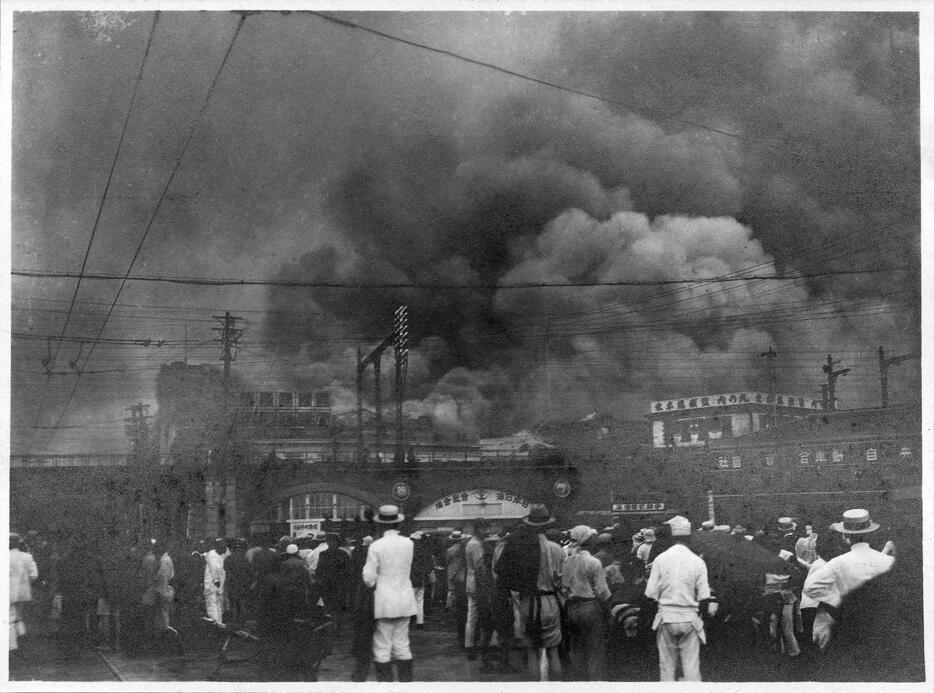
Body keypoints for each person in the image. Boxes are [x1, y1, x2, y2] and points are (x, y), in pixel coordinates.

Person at [802, 509, 895, 661]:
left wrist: (840, 600)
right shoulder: (887, 561)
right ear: (870, 533)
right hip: (882, 624)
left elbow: (810, 587)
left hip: (850, 624)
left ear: (846, 536)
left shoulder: (838, 563)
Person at [493, 503, 565, 681]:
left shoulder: (520, 547)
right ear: (547, 524)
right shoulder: (556, 549)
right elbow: (562, 580)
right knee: (553, 650)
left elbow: (502, 572)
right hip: (551, 602)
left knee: (532, 651)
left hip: (527, 602)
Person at [644, 515, 712, 682]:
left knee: (666, 668)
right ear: (689, 537)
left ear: (672, 537)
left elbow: (650, 593)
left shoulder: (661, 559)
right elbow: (704, 596)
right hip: (689, 617)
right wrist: (700, 619)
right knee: (691, 668)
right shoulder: (697, 561)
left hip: (666, 616)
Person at [363, 504, 418, 683]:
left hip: (384, 601)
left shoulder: (376, 546)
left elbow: (368, 578)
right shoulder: (409, 543)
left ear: (381, 525)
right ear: (398, 524)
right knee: (403, 645)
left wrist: (373, 581)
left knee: (382, 646)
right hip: (405, 599)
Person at [561, 525, 612, 681]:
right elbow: (603, 591)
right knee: (595, 650)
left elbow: (563, 587)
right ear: (589, 540)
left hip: (571, 607)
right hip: (589, 607)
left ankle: (579, 682)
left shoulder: (568, 561)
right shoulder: (594, 562)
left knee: (576, 648)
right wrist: (608, 611)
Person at [464, 518, 489, 658]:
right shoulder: (475, 545)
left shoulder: (472, 543)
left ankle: (470, 645)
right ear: (479, 529)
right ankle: (473, 646)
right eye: (485, 528)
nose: (487, 531)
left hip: (471, 582)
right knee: (475, 615)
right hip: (478, 584)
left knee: (472, 615)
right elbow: (480, 567)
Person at [9, 533, 38, 653]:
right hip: (23, 592)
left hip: (8, 591)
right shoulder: (28, 557)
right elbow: (34, 575)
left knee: (10, 616)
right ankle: (22, 638)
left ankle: (13, 643)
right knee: (21, 615)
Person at [408, 531, 433, 630]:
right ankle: (420, 622)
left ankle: (410, 621)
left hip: (411, 578)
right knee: (420, 601)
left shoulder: (410, 550)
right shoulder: (425, 550)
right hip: (421, 578)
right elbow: (429, 566)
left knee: (410, 600)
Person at [203, 538, 228, 624]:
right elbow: (215, 571)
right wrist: (218, 583)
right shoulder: (212, 555)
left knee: (218, 608)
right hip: (212, 587)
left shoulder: (219, 556)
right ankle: (216, 626)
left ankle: (219, 624)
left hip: (217, 587)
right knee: (213, 608)